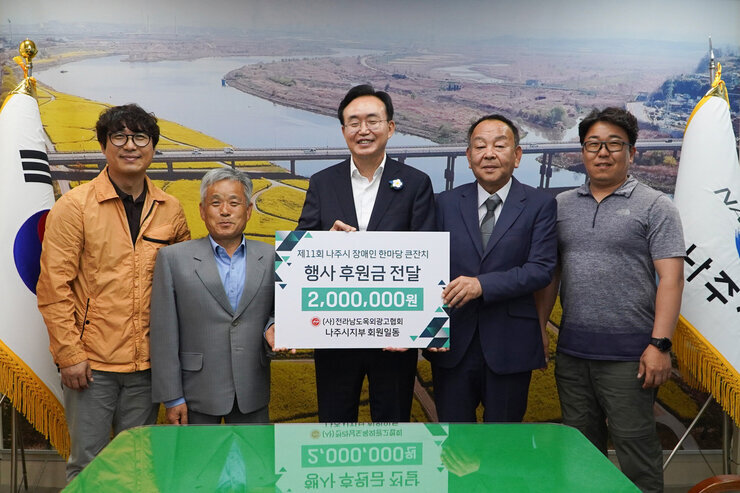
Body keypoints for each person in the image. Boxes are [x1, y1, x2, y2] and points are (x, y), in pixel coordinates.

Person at [36, 104, 190, 480]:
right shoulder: (75, 207)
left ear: (153, 147)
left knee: (135, 466)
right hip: (91, 367)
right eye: (119, 137)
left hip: (147, 367)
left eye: (140, 137)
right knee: (87, 466)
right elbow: (53, 286)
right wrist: (70, 354)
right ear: (104, 146)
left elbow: (185, 285)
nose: (130, 146)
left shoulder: (170, 209)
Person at [543, 107, 684, 492]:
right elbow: (551, 275)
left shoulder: (656, 206)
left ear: (632, 152)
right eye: (593, 144)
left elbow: (671, 279)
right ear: (582, 151)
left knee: (636, 453)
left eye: (614, 144)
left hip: (631, 358)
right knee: (580, 453)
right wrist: (540, 327)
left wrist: (660, 345)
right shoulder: (561, 206)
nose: (602, 153)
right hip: (573, 354)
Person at [297, 84, 436, 422]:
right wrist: (323, 243)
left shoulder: (416, 183)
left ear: (390, 127)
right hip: (335, 331)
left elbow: (429, 257)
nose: (363, 130)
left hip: (395, 335)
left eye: (372, 120)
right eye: (354, 122)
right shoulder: (322, 182)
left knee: (392, 425)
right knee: (334, 425)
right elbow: (299, 249)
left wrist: (418, 327)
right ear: (343, 130)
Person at [427, 115, 557, 423]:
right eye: (480, 146)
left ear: (517, 155)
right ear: (468, 156)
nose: (489, 154)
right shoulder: (444, 203)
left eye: (499, 146)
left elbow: (541, 269)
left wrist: (482, 285)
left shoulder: (540, 205)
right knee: (455, 441)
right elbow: (425, 266)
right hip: (452, 343)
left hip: (511, 344)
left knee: (505, 442)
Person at [150, 167, 277, 424]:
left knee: (253, 452)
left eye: (234, 203)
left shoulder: (271, 257)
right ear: (202, 210)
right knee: (198, 453)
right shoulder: (173, 259)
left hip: (252, 389)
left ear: (248, 210)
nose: (225, 211)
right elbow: (163, 333)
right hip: (195, 393)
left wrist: (272, 326)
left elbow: (281, 311)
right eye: (216, 203)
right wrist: (172, 398)